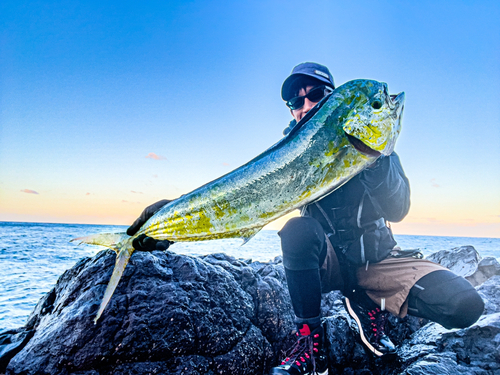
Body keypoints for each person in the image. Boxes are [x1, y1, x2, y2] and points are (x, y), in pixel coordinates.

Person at [127, 62, 485, 375]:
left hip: (378, 261)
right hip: (327, 265)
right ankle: (312, 349)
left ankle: (367, 303)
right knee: (296, 230)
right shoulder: (284, 159)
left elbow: (398, 209)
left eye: (315, 94)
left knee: (465, 305)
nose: (306, 104)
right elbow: (239, 197)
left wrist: (377, 159)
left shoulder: (375, 148)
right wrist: (169, 215)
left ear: (333, 98)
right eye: (296, 101)